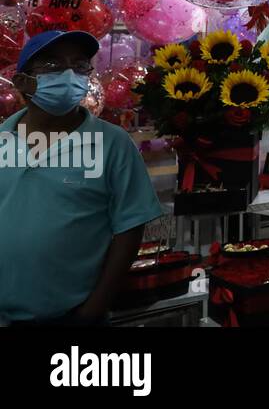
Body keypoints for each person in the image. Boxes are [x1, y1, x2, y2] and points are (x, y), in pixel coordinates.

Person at [0, 30, 162, 325]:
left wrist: (95, 307)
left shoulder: (112, 143)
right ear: (22, 82)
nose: (68, 74)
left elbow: (130, 227)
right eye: (52, 65)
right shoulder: (2, 140)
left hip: (73, 315)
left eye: (79, 65)